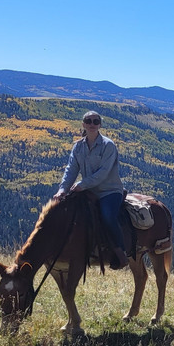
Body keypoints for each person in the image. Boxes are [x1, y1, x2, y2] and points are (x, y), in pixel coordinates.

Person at [55, 110, 129, 269]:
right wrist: (62, 190)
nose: (92, 124)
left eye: (96, 121)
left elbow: (104, 172)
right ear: (83, 124)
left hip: (109, 191)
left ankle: (120, 253)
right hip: (88, 190)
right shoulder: (77, 147)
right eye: (88, 121)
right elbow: (71, 170)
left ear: (100, 125)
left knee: (108, 216)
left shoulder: (108, 145)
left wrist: (82, 184)